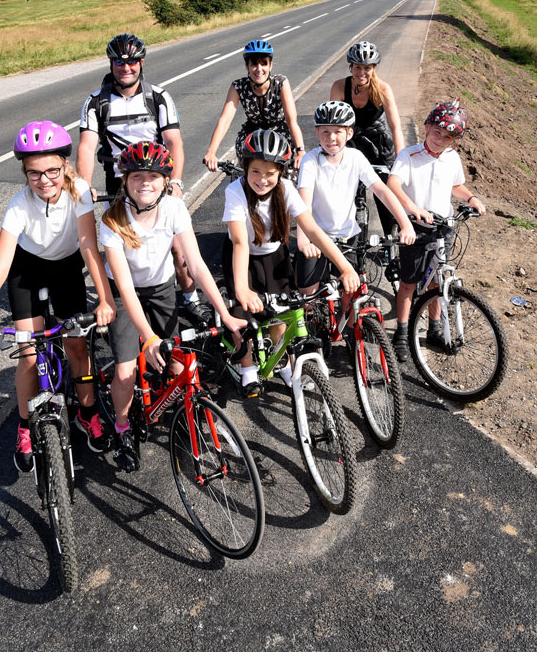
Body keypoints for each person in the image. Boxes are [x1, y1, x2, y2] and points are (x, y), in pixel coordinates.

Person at [0, 121, 116, 473]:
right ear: (24, 173)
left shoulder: (81, 192)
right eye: (34, 174)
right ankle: (25, 426)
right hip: (26, 272)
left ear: (65, 166)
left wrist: (106, 299)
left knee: (75, 345)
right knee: (28, 355)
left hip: (67, 269)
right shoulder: (18, 206)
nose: (44, 180)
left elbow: (90, 248)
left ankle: (87, 414)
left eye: (52, 171)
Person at [99, 141, 247, 473]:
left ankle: (184, 414)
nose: (145, 183)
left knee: (179, 364)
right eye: (137, 176)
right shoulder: (112, 221)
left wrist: (224, 314)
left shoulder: (174, 209)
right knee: (125, 371)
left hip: (162, 286)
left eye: (154, 175)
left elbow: (195, 266)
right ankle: (122, 427)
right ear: (125, 181)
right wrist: (148, 337)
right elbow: (124, 287)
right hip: (125, 295)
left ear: (166, 181)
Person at [77, 32, 210, 323]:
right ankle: (122, 302)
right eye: (119, 62)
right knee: (117, 244)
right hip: (119, 182)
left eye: (132, 62)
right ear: (111, 64)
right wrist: (83, 187)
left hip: (154, 180)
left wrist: (175, 181)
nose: (126, 68)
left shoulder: (158, 98)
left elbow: (174, 143)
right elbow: (87, 147)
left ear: (142, 62)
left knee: (176, 245)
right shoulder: (96, 102)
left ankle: (189, 296)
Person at [222, 128, 360, 398]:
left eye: (270, 173)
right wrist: (242, 290)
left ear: (281, 173)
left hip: (275, 256)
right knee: (245, 315)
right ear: (245, 168)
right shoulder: (234, 191)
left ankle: (282, 361)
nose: (262, 180)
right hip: (243, 259)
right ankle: (248, 366)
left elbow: (313, 230)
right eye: (256, 172)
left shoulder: (285, 189)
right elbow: (239, 242)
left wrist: (345, 267)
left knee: (281, 312)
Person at [295, 101, 416, 340]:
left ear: (349, 133)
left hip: (348, 234)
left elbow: (381, 190)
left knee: (353, 289)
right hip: (317, 237)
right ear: (317, 132)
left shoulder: (355, 157)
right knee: (306, 294)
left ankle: (350, 328)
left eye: (338, 131)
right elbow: (303, 205)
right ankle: (307, 333)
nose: (331, 137)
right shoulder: (310, 161)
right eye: (325, 131)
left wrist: (406, 223)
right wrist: (303, 241)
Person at [387, 101, 486, 362]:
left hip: (444, 227)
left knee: (436, 281)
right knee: (409, 282)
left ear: (454, 141)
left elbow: (457, 187)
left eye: (449, 137)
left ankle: (433, 329)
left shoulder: (452, 158)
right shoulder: (408, 155)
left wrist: (472, 199)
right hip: (416, 228)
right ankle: (402, 332)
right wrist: (413, 208)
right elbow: (393, 184)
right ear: (427, 127)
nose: (440, 140)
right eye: (437, 132)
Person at [330, 41, 405, 235]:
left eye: (367, 68)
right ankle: (347, 237)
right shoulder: (339, 87)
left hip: (378, 142)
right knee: (348, 190)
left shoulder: (382, 88)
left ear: (374, 68)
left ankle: (392, 240)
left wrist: (401, 159)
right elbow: (333, 125)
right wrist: (332, 154)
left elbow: (395, 126)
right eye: (357, 67)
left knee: (386, 192)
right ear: (351, 67)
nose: (361, 72)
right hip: (352, 141)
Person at [204, 39, 306, 172]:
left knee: (287, 172)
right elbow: (225, 120)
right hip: (252, 135)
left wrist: (300, 150)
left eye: (264, 64)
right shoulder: (238, 86)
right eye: (254, 64)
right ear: (247, 66)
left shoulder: (280, 83)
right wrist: (211, 152)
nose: (259, 69)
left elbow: (292, 121)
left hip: (280, 133)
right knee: (245, 173)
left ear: (270, 66)